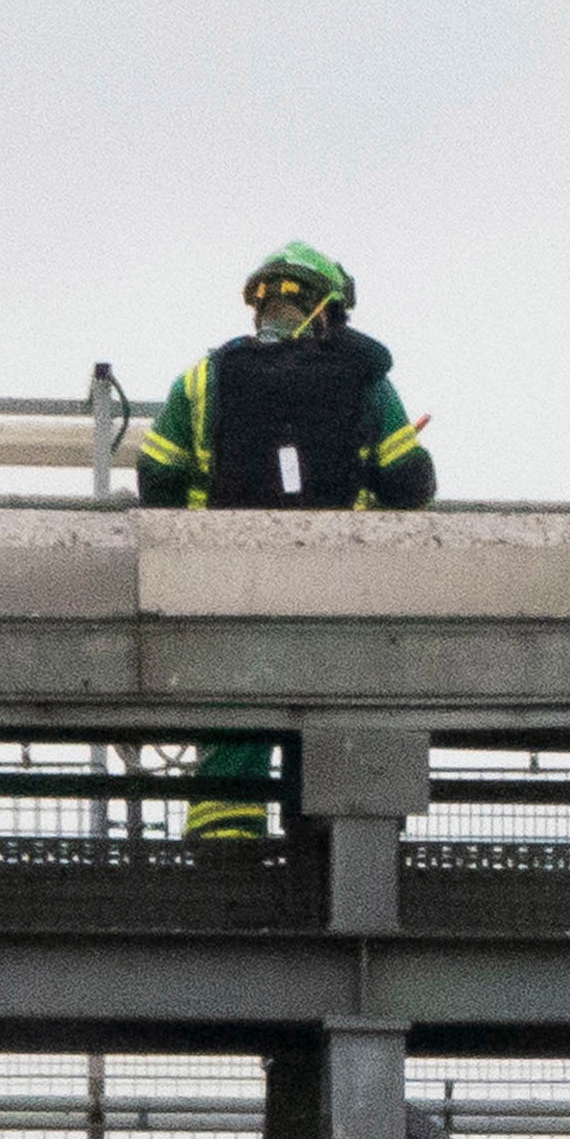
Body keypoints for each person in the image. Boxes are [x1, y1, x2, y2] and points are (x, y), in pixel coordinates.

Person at [135, 242, 436, 844]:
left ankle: (225, 866)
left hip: (225, 595)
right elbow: (411, 485)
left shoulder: (203, 378)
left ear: (261, 306)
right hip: (339, 598)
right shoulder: (367, 383)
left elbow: (156, 479)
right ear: (327, 311)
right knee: (328, 726)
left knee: (234, 730)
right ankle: (326, 857)